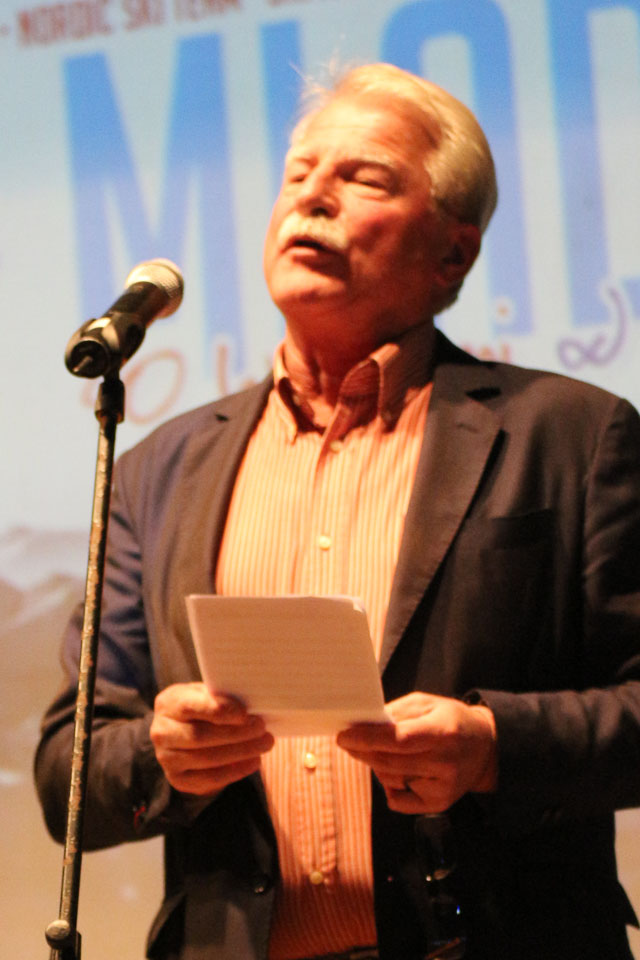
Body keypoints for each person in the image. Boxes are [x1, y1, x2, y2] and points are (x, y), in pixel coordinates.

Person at [35, 63, 640, 960]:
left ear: (454, 253)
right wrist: (164, 756)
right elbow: (67, 775)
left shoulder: (571, 436)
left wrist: (492, 746)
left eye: (363, 178)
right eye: (298, 173)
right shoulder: (157, 471)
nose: (311, 197)